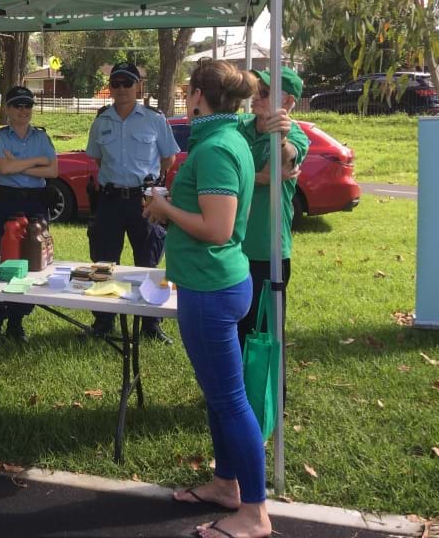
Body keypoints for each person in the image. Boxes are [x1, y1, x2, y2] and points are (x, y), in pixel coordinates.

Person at [143, 59, 270, 538]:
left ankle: (254, 513)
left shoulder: (216, 147)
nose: (184, 97)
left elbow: (217, 229)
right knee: (220, 399)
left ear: (197, 95)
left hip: (211, 289)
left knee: (230, 401)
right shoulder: (226, 138)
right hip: (216, 285)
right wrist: (169, 210)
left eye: (187, 91)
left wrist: (165, 209)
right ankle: (225, 485)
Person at [85, 62, 179, 339]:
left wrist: (150, 184)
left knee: (147, 263)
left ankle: (151, 325)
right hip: (111, 199)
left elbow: (168, 158)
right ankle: (103, 323)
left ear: (139, 86)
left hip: (144, 201)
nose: (122, 89)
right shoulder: (101, 120)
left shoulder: (154, 119)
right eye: (116, 83)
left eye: (128, 83)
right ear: (110, 87)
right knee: (103, 263)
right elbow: (98, 158)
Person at [0, 85, 58, 351]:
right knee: (0, 260)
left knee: (31, 262)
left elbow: (53, 170)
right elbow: (3, 168)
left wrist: (19, 165)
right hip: (4, 201)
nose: (24, 111)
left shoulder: (42, 136)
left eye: (28, 105)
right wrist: (37, 163)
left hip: (35, 203)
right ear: (8, 109)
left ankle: (17, 322)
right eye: (18, 105)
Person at [237, 68, 309, 368]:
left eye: (265, 92)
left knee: (266, 334)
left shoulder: (295, 136)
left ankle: (268, 404)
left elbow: (290, 157)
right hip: (232, 248)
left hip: (268, 253)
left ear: (288, 101)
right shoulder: (240, 126)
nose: (256, 95)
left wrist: (280, 139)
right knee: (235, 330)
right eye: (256, 88)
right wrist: (258, 177)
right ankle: (235, 400)